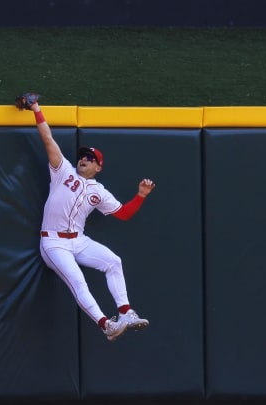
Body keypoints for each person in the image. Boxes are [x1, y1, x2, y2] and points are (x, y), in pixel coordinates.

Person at [19, 93, 156, 342]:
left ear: (98, 168)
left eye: (91, 159)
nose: (84, 159)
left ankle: (125, 312)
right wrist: (36, 108)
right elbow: (48, 140)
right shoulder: (63, 172)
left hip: (79, 241)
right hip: (53, 243)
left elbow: (123, 214)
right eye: (83, 156)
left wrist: (141, 195)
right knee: (78, 281)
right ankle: (106, 325)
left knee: (114, 261)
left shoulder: (99, 191)